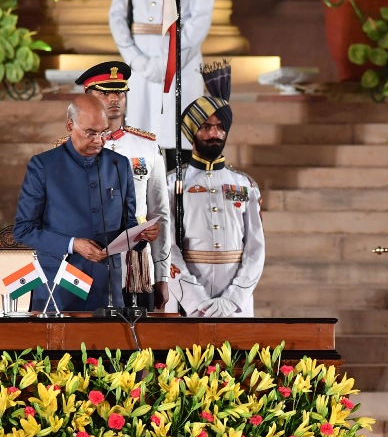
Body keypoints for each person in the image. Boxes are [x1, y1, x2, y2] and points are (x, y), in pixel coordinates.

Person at [13, 95, 157, 311]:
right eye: (91, 133)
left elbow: (127, 225)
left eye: (103, 133)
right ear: (70, 125)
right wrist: (73, 244)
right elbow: (23, 231)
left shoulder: (119, 164)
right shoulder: (43, 165)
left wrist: (142, 235)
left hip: (108, 289)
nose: (99, 140)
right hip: (58, 288)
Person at [75, 61, 171, 311]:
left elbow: (160, 214)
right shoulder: (70, 148)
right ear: (88, 98)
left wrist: (162, 275)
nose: (114, 98)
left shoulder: (147, 147)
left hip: (135, 262)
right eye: (104, 92)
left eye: (119, 91)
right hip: (87, 258)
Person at [166, 89, 265, 317]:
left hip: (235, 305)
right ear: (192, 133)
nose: (215, 133)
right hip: (188, 302)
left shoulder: (245, 185)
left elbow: (255, 249)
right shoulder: (171, 185)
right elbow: (166, 248)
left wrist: (233, 298)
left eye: (221, 127)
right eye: (206, 127)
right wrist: (195, 300)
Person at [108, 0, 216, 165]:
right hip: (141, 66)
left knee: (179, 141)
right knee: (139, 144)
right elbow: (117, 15)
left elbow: (201, 15)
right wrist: (135, 59)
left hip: (183, 61)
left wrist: (172, 59)